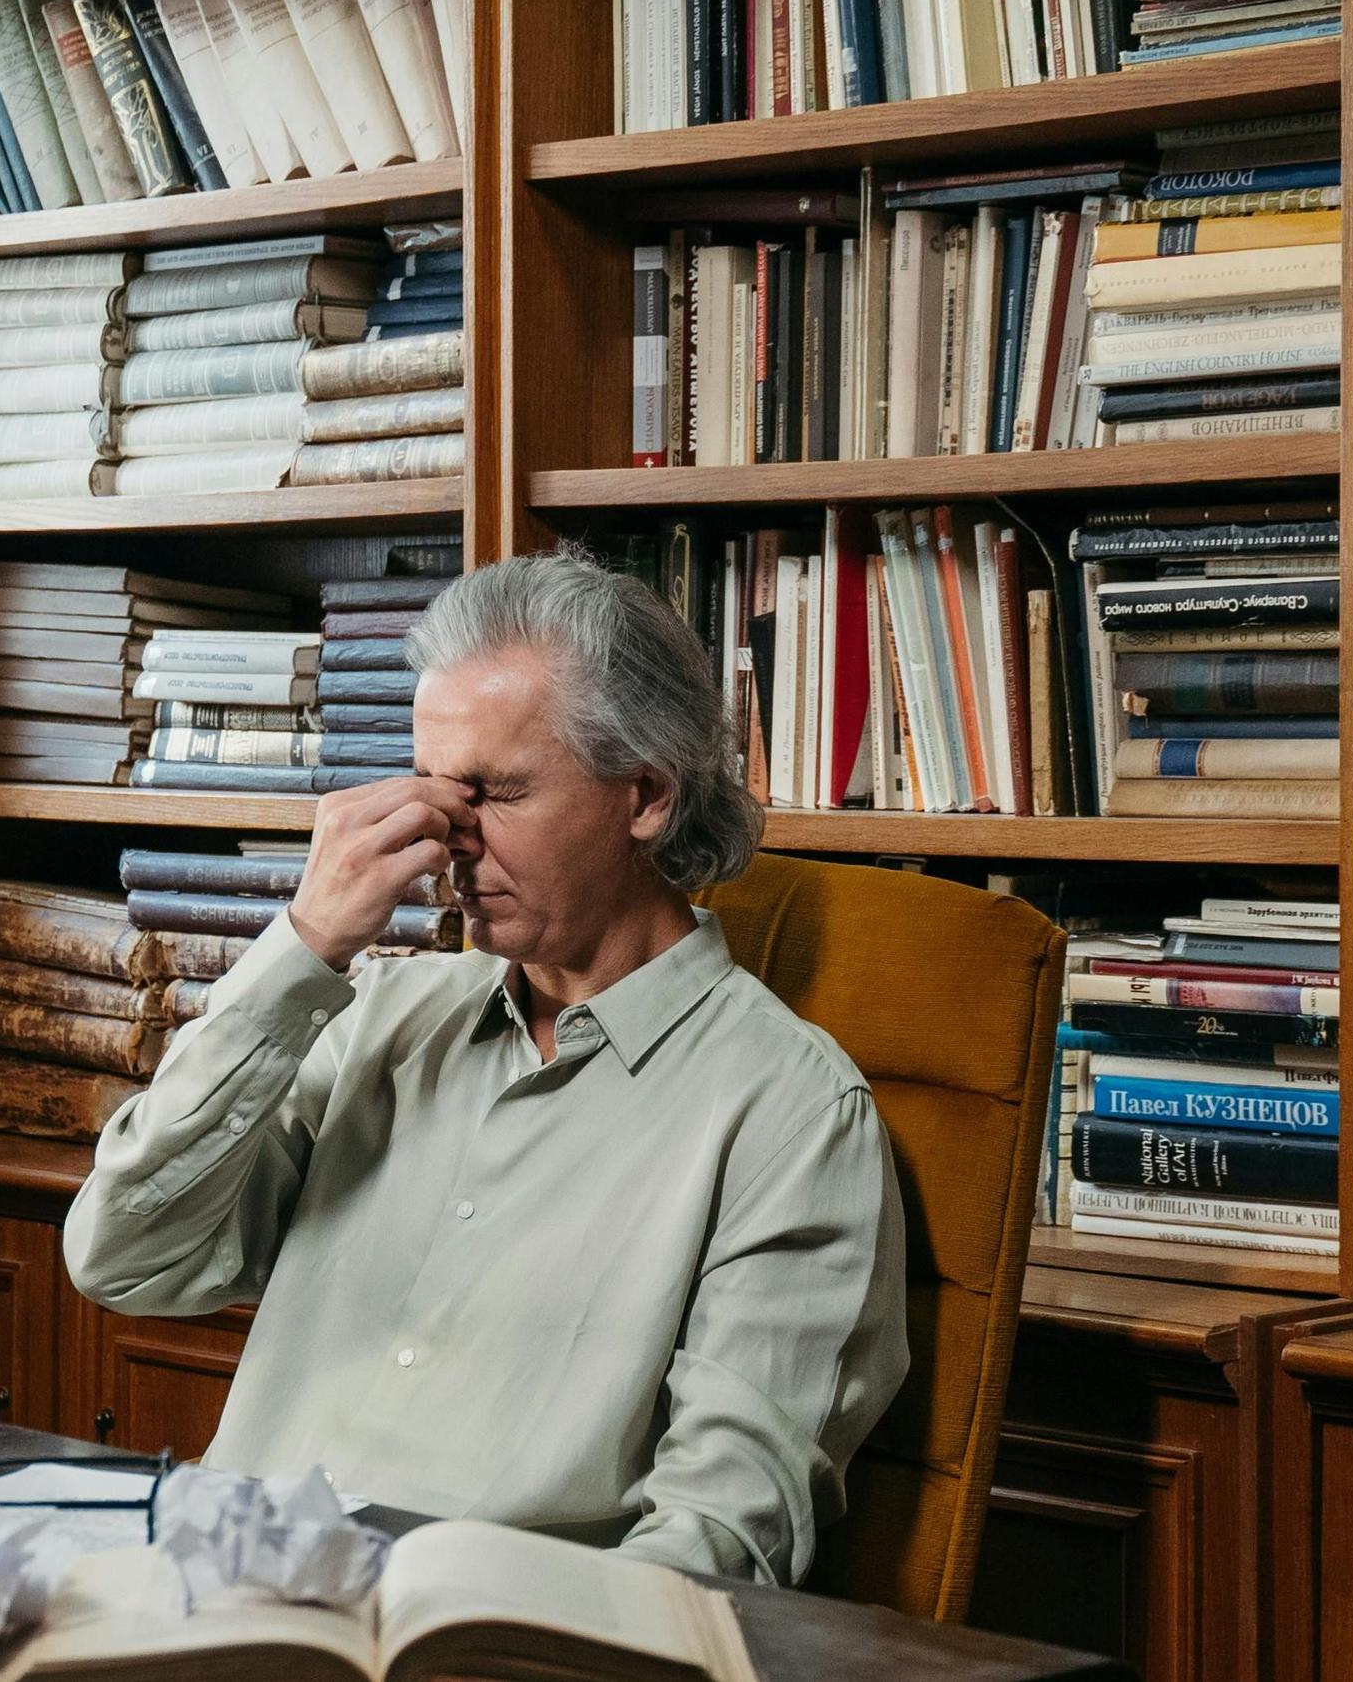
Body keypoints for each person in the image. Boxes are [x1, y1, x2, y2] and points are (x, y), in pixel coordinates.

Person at [63, 550, 909, 1586]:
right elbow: (123, 1260)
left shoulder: (790, 1112)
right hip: (218, 1604)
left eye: (496, 792)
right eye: (432, 789)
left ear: (644, 795)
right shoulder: (377, 1012)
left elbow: (723, 1534)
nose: (445, 841)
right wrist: (302, 950)